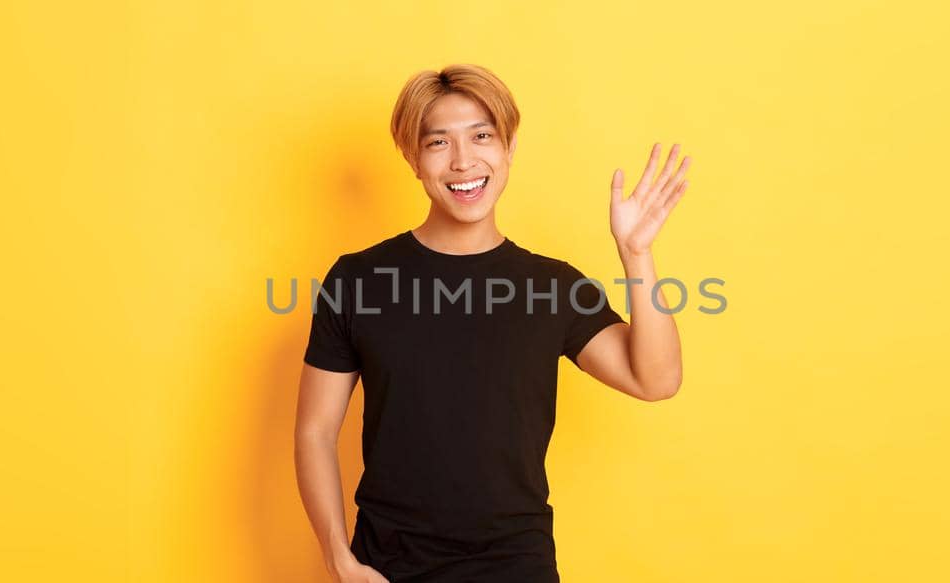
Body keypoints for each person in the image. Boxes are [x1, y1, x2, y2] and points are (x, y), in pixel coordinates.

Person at [294, 63, 691, 582]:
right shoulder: (358, 279)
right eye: (439, 143)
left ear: (508, 149)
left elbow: (656, 379)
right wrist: (336, 557)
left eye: (482, 136)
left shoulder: (552, 286)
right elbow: (315, 431)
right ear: (414, 158)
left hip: (515, 565)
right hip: (385, 566)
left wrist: (636, 254)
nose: (463, 161)